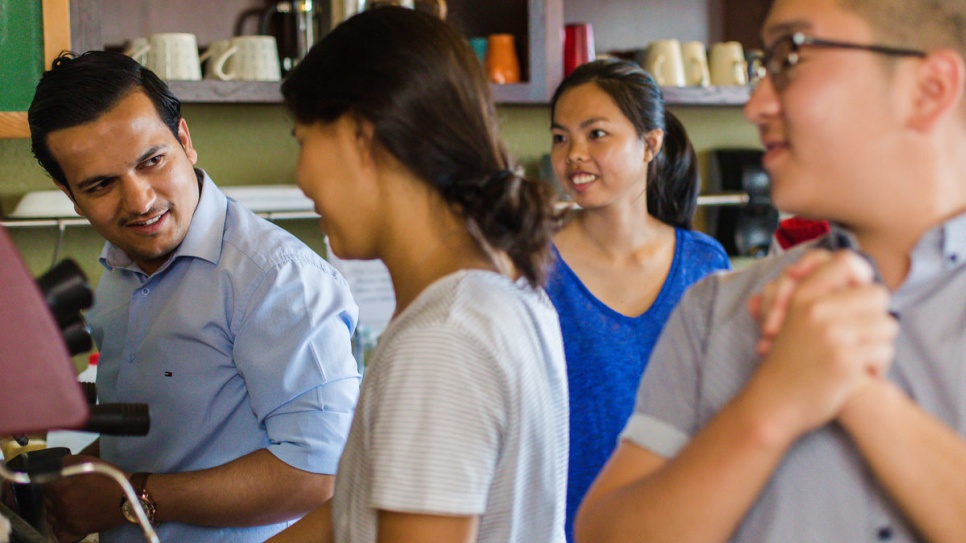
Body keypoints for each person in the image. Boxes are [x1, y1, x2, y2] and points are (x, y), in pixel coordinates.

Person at [575, 0, 966, 542]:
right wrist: (770, 408)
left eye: (791, 55)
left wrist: (858, 394)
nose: (756, 104)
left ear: (930, 89)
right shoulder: (716, 311)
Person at [27, 51, 361, 543]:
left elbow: (321, 472)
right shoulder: (119, 270)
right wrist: (88, 473)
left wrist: (130, 497)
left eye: (152, 161)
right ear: (68, 193)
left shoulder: (276, 278)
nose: (140, 201)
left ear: (185, 140)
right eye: (100, 185)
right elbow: (182, 437)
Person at [267, 7, 569, 543]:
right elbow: (358, 513)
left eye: (301, 139)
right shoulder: (503, 289)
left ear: (362, 134)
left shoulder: (443, 339)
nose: (301, 177)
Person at [546, 58, 730, 541]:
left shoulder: (704, 266)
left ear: (650, 143)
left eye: (596, 134)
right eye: (560, 137)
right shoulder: (530, 267)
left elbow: (723, 417)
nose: (573, 155)